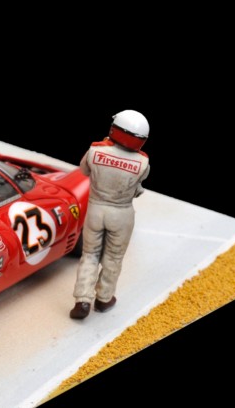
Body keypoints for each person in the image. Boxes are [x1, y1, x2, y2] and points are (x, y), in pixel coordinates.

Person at [70, 110, 151, 320]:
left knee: (90, 254)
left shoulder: (95, 150)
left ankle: (82, 300)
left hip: (96, 210)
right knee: (114, 257)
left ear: (117, 129)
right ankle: (104, 299)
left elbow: (84, 171)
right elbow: (138, 188)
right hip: (122, 213)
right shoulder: (143, 162)